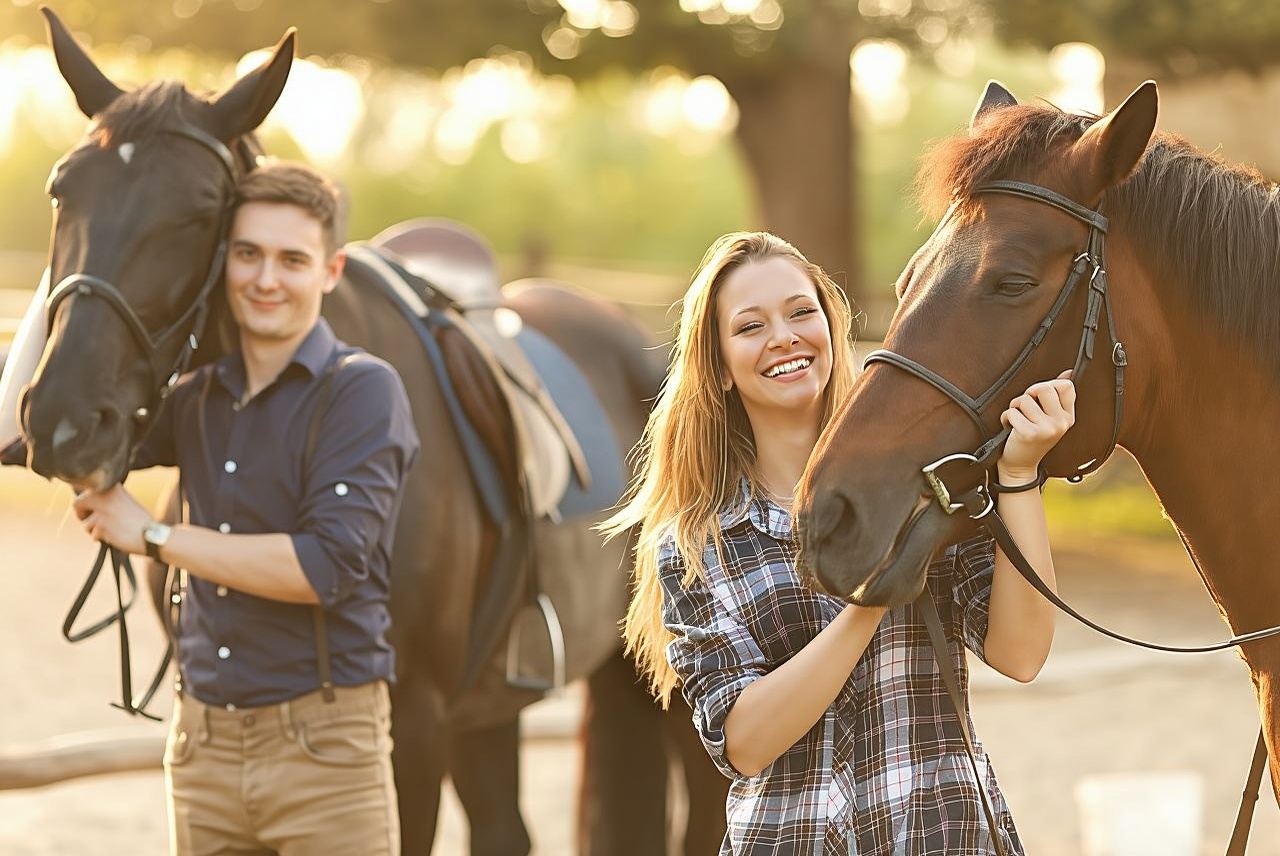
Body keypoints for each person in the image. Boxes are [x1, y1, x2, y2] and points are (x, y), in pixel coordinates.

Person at [604, 232, 1071, 854]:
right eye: (750, 326)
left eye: (802, 312)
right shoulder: (695, 544)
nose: (784, 337)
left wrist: (1019, 475)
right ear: (718, 366)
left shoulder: (926, 475)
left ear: (831, 327)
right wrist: (871, 596)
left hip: (943, 833)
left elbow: (1021, 654)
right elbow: (744, 743)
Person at [70, 162, 418, 855]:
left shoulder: (362, 392)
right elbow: (50, 431)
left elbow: (326, 566)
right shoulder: (195, 396)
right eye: (248, 254)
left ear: (331, 271)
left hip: (325, 755)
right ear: (223, 261)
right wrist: (72, 295)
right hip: (200, 750)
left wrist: (154, 535)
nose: (265, 279)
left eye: (292, 260)